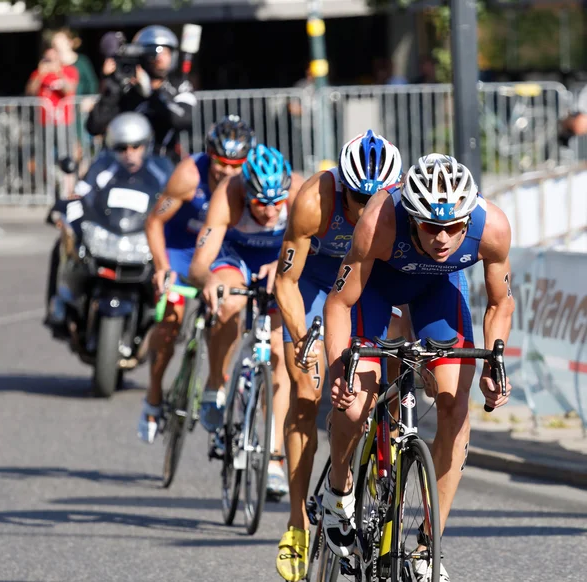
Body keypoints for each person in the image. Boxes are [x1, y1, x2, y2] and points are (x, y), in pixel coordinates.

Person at [321, 154, 515, 581]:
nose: (443, 238)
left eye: (453, 227)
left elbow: (501, 303)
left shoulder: (492, 227)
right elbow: (339, 302)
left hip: (436, 291)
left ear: (468, 219)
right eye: (430, 226)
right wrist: (339, 371)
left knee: (454, 406)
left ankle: (430, 547)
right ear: (412, 218)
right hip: (374, 287)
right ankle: (338, 493)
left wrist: (494, 360)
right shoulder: (379, 221)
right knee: (353, 405)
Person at [274, 130, 408, 581]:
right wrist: (301, 339)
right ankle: (298, 521)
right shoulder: (315, 200)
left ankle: (383, 471)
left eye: (376, 199)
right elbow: (286, 282)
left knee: (395, 366)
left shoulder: (400, 207)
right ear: (343, 189)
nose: (365, 208)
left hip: (368, 280)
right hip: (314, 283)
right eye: (357, 199)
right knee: (308, 387)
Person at [188, 144, 304, 497]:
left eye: (276, 202)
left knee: (281, 358)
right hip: (235, 258)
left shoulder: (300, 192)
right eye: (260, 204)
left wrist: (285, 268)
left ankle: (273, 458)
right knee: (226, 304)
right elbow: (198, 264)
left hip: (279, 260)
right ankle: (215, 385)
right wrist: (209, 283)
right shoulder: (229, 193)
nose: (269, 212)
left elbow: (316, 249)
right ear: (247, 194)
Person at [138, 115, 256, 444]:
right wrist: (161, 266)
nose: (229, 173)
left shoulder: (251, 181)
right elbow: (154, 222)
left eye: (237, 166)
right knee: (169, 322)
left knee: (227, 310)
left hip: (218, 254)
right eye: (221, 164)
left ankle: (215, 383)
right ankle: (153, 395)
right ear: (209, 155)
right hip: (180, 253)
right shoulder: (188, 174)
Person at [45, 112, 174, 328]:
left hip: (140, 236)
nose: (129, 154)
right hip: (107, 232)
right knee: (62, 244)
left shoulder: (160, 171)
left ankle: (166, 318)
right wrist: (64, 210)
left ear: (146, 145)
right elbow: (81, 194)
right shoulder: (103, 167)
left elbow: (172, 198)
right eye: (122, 148)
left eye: (136, 147)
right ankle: (56, 303)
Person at [86, 25, 195, 163]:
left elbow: (182, 120)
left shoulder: (180, 86)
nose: (160, 58)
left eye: (165, 52)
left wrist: (152, 92)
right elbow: (95, 126)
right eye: (154, 52)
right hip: (125, 164)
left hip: (162, 162)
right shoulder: (126, 88)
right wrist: (111, 87)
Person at [26, 46, 79, 127]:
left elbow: (69, 90)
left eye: (54, 57)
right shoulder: (38, 73)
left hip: (64, 120)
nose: (51, 61)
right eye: (48, 59)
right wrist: (40, 75)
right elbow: (30, 92)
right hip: (44, 121)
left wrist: (59, 73)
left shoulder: (69, 70)